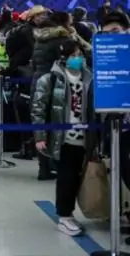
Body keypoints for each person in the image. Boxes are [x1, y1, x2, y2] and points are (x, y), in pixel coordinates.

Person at [31, 39, 94, 236]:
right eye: (74, 55)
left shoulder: (89, 78)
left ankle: (69, 213)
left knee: (77, 177)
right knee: (66, 177)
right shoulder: (50, 79)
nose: (78, 59)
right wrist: (40, 136)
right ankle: (64, 216)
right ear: (64, 57)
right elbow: (38, 109)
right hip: (63, 137)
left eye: (80, 55)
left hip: (86, 136)